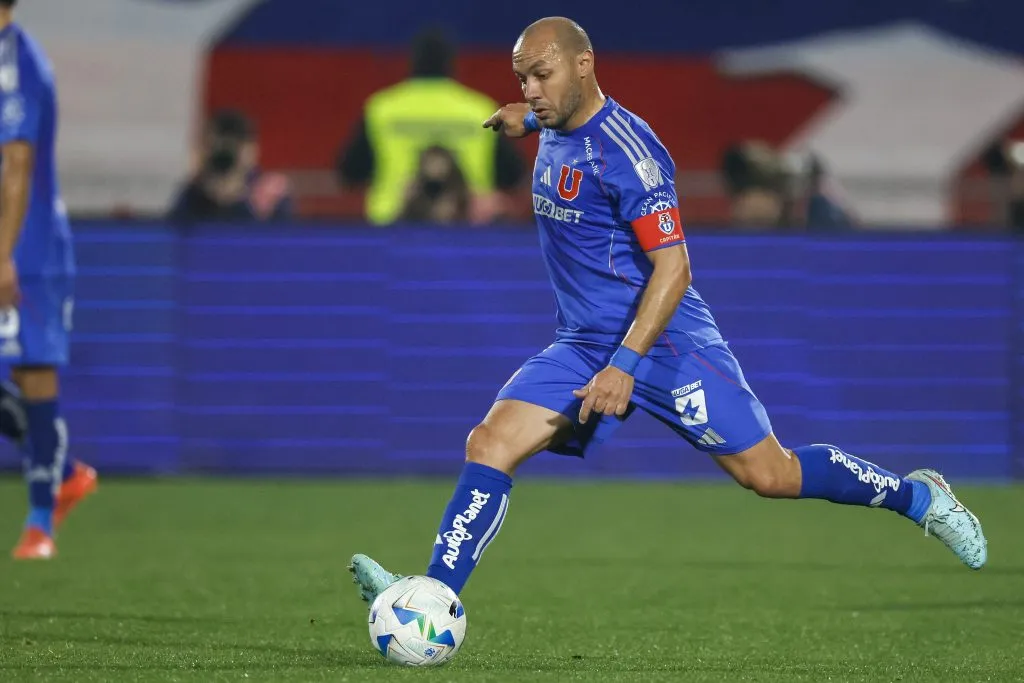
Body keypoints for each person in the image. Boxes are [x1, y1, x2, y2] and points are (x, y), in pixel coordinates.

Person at [349, 17, 987, 603]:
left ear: (584, 65)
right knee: (490, 442)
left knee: (770, 474)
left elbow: (675, 267)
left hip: (664, 344)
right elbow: (565, 125)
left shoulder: (631, 152)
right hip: (581, 343)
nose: (531, 88)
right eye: (522, 77)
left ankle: (919, 498)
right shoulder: (554, 124)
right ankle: (431, 597)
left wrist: (627, 362)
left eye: (541, 75)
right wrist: (531, 119)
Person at [0, 0, 96, 560]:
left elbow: (17, 163)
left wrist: (3, 255)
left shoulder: (18, 62)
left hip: (27, 249)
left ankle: (40, 523)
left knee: (35, 375)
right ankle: (62, 473)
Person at [337, 27, 524, 225]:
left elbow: (349, 173)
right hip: (467, 231)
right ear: (451, 64)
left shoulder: (382, 109)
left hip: (392, 230)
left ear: (412, 62)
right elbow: (513, 175)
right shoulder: (480, 110)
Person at [168, 110, 291, 225]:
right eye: (215, 146)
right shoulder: (191, 195)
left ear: (251, 151)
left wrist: (252, 208)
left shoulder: (269, 196)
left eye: (233, 146)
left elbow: (281, 241)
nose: (224, 155)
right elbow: (176, 238)